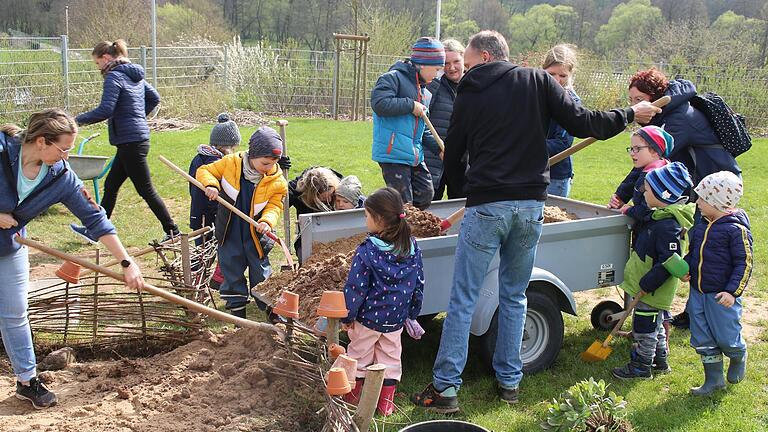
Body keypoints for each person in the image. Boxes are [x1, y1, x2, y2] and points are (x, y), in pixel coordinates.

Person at [410, 30, 661, 413]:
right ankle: (509, 382)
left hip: (486, 208)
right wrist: (630, 114)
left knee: (463, 298)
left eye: (471, 61)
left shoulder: (470, 92)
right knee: (514, 295)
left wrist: (459, 190)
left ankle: (446, 389)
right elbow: (584, 121)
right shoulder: (539, 81)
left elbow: (455, 152)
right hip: (530, 207)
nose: (467, 69)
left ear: (483, 55)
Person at [0, 109, 144, 409]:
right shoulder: (2, 151)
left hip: (8, 247)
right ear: (41, 141)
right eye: (63, 148)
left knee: (15, 313)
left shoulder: (61, 176)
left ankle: (27, 381)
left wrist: (126, 261)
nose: (67, 156)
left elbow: (95, 218)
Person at [627, 68, 742, 330]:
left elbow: (649, 162)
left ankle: (713, 311)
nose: (636, 106)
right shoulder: (667, 114)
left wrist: (627, 195)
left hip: (717, 188)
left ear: (656, 97)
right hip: (702, 186)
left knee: (710, 249)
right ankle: (694, 311)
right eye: (632, 101)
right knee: (700, 243)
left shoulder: (678, 119)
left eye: (640, 99)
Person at [72, 39, 179, 242]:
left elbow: (106, 110)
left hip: (131, 142)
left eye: (97, 63)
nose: (98, 68)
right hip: (133, 140)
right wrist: (138, 117)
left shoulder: (113, 76)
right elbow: (154, 97)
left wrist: (75, 121)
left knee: (145, 190)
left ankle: (172, 231)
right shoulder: (133, 75)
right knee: (111, 186)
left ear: (105, 58)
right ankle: (97, 230)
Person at [340, 187, 424, 416]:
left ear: (379, 220)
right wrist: (412, 313)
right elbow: (419, 282)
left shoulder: (367, 251)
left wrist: (347, 316)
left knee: (359, 356)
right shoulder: (412, 247)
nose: (365, 220)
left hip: (367, 319)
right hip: (395, 320)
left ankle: (353, 399)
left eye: (366, 215)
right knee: (390, 358)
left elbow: (355, 288)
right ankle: (385, 404)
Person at [611, 163, 695, 380]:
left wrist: (648, 283)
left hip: (652, 289)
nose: (642, 192)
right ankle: (660, 361)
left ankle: (640, 366)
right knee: (655, 325)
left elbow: (669, 261)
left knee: (644, 330)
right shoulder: (658, 216)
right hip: (648, 286)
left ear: (662, 195)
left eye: (646, 189)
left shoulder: (668, 226)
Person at [196, 127, 288, 318]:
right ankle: (238, 315)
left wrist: (267, 222)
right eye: (264, 163)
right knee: (232, 270)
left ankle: (272, 311)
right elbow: (205, 171)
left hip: (256, 234)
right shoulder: (230, 163)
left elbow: (274, 206)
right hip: (230, 231)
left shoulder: (277, 180)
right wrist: (211, 185)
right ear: (252, 155)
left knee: (261, 273)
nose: (269, 167)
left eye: (273, 163)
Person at [683, 171, 752, 395]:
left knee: (726, 336)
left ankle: (737, 353)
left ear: (718, 202)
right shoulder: (702, 225)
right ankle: (713, 380)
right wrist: (686, 267)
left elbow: (744, 263)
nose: (698, 203)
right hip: (698, 292)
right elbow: (694, 252)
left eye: (702, 198)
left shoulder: (735, 230)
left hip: (722, 297)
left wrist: (732, 292)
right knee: (702, 336)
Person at [371, 37, 444, 210]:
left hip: (414, 156)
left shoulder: (425, 93)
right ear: (423, 64)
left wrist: (439, 149)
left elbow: (423, 128)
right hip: (393, 153)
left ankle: (410, 225)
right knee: (403, 203)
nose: (438, 74)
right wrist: (410, 105)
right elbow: (379, 103)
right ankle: (401, 231)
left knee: (426, 193)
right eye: (437, 69)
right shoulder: (393, 78)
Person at [188, 113, 241, 290]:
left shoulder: (199, 158)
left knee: (206, 248)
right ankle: (197, 282)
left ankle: (208, 279)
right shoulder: (218, 163)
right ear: (230, 145)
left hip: (199, 212)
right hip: (209, 215)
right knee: (208, 249)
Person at [423, 39, 465, 200]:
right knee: (431, 210)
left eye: (456, 62)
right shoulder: (434, 86)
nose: (451, 67)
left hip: (462, 162)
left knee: (460, 208)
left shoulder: (473, 85)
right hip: (435, 159)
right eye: (446, 63)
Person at [543, 44, 581, 198]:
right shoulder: (532, 95)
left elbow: (563, 143)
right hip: (528, 171)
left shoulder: (571, 102)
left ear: (570, 75)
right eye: (551, 74)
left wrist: (528, 146)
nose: (556, 80)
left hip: (556, 176)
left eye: (563, 76)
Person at [288, 166, 342, 262]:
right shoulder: (299, 194)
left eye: (332, 195)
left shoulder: (342, 187)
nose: (329, 200)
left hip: (338, 236)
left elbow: (359, 201)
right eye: (324, 199)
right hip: (308, 240)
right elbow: (280, 200)